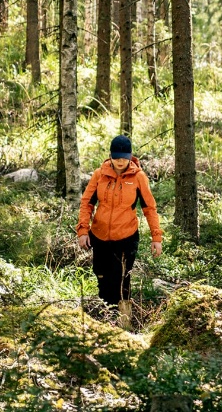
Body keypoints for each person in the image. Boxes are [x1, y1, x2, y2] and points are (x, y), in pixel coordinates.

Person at [76, 135, 163, 329]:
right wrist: (83, 230)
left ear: (130, 156)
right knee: (102, 276)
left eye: (124, 157)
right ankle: (105, 321)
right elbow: (87, 203)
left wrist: (156, 237)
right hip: (99, 236)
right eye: (117, 157)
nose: (120, 161)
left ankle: (124, 324)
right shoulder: (100, 174)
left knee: (122, 279)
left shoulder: (139, 177)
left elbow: (150, 208)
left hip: (126, 237)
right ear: (111, 156)